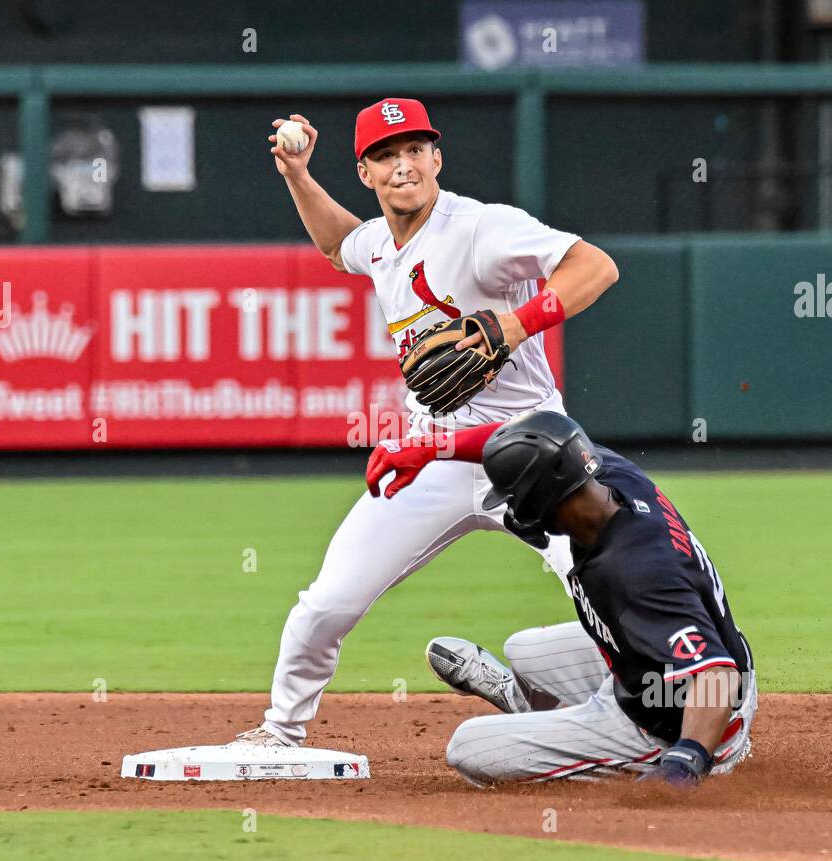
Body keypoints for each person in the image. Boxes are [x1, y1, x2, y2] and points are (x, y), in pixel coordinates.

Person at [237, 98, 618, 747]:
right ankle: (280, 733)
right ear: (366, 173)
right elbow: (337, 245)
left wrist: (515, 323)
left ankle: (649, 708)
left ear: (437, 158)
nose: (403, 165)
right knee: (327, 603)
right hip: (433, 450)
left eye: (415, 150)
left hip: (528, 445)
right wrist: (298, 175)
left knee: (606, 577)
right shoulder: (380, 245)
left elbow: (595, 266)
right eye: (386, 155)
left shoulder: (482, 229)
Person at [371, 410, 757, 789]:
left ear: (542, 497)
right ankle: (535, 706)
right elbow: (521, 442)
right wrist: (430, 447)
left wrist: (687, 758)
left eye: (514, 497)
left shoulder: (637, 572)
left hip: (691, 718)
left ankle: (640, 750)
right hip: (654, 664)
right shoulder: (607, 477)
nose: (512, 507)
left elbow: (716, 676)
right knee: (523, 649)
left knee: (468, 747)